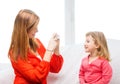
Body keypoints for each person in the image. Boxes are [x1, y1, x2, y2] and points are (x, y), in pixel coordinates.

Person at [8, 9, 64, 84]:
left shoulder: (36, 42)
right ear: (25, 29)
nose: (37, 30)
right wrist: (49, 50)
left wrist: (56, 48)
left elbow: (55, 68)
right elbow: (36, 77)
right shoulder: (14, 52)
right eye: (34, 27)